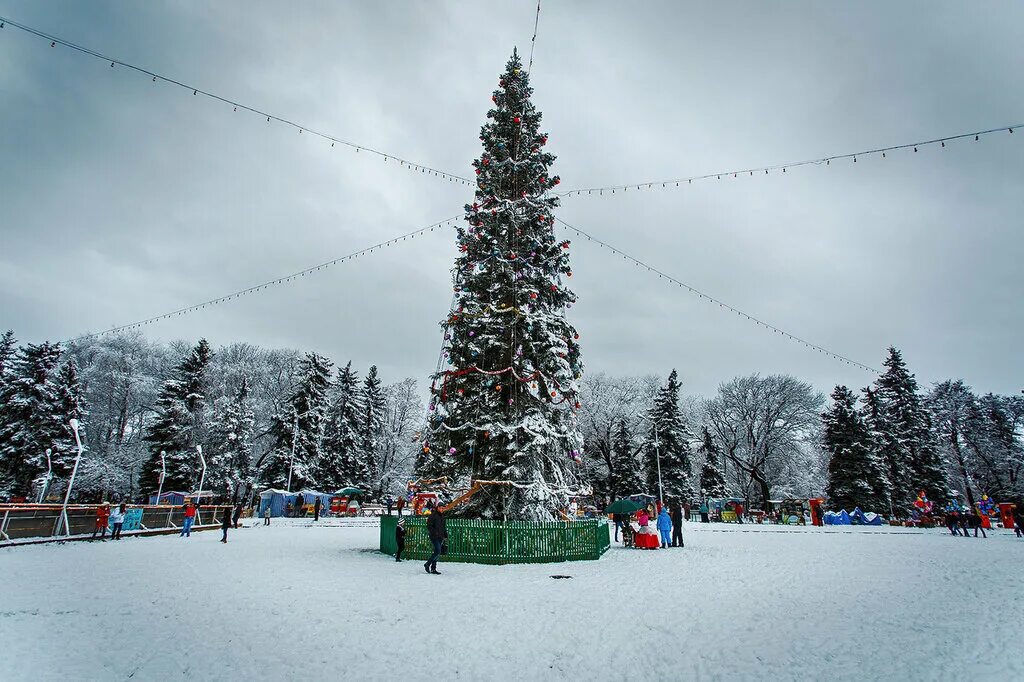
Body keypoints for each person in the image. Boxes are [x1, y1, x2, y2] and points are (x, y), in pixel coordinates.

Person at [424, 502, 447, 575]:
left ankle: (433, 569)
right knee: (438, 550)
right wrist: (435, 532)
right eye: (440, 508)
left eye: (443, 508)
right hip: (434, 536)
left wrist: (445, 534)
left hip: (440, 536)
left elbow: (443, 527)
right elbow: (429, 526)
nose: (442, 509)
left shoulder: (442, 516)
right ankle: (427, 564)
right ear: (437, 507)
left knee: (437, 552)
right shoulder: (433, 515)